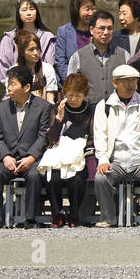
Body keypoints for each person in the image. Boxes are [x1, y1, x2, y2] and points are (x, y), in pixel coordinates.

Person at [93, 65, 140, 227]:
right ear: (115, 83)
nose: (131, 85)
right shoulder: (104, 105)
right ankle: (108, 217)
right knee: (100, 178)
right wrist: (103, 160)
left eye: (134, 81)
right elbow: (100, 136)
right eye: (126, 81)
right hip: (116, 161)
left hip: (138, 160)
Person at [0, 67, 53, 228]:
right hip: (9, 158)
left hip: (32, 159)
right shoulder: (1, 108)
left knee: (34, 176)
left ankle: (30, 218)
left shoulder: (43, 107)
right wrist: (5, 157)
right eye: (8, 84)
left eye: (12, 84)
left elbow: (43, 136)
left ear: (26, 87)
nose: (8, 88)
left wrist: (31, 157)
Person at [41, 71, 94, 227]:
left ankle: (74, 213)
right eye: (69, 95)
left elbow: (92, 136)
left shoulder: (90, 110)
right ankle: (57, 213)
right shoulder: (57, 108)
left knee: (76, 178)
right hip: (59, 154)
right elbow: (50, 138)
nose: (73, 99)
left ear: (84, 94)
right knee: (52, 176)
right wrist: (59, 118)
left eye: (77, 95)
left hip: (80, 155)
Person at [67, 10, 127, 106]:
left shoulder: (124, 55)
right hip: (88, 111)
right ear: (91, 30)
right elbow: (70, 86)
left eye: (110, 28)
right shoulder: (78, 56)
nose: (106, 32)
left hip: (116, 110)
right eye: (101, 28)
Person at [0, 0, 56, 83]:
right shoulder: (9, 39)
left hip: (42, 86)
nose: (29, 13)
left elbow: (50, 64)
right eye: (24, 10)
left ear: (36, 12)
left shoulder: (48, 37)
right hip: (15, 89)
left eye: (31, 9)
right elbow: (3, 67)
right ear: (18, 13)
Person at [54, 0, 95, 87]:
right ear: (76, 10)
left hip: (94, 85)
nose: (91, 13)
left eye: (93, 8)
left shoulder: (97, 31)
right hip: (71, 86)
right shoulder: (63, 31)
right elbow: (60, 62)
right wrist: (72, 84)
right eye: (87, 9)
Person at [14, 30, 58, 104]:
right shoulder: (13, 72)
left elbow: (50, 99)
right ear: (22, 52)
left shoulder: (47, 69)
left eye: (37, 48)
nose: (36, 53)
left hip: (44, 112)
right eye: (31, 50)